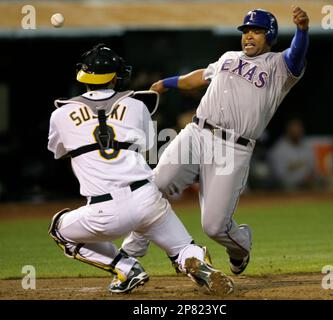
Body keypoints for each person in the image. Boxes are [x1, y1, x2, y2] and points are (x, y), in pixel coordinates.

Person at [121, 7, 310, 275]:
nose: (249, 36)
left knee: (214, 227)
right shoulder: (228, 57)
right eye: (245, 31)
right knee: (155, 184)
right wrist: (167, 82)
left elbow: (297, 55)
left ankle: (240, 246)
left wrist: (302, 30)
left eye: (256, 31)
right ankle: (131, 252)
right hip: (197, 132)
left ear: (270, 36)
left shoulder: (279, 67)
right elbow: (199, 77)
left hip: (233, 148)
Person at [47, 44, 234, 295]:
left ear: (84, 77)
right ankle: (195, 261)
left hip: (103, 212)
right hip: (147, 198)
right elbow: (145, 144)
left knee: (59, 228)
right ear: (114, 77)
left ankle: (125, 267)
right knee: (182, 247)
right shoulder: (137, 105)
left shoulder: (60, 114)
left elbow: (58, 151)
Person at [268, 118, 317, 191]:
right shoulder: (279, 149)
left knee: (328, 181)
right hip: (289, 185)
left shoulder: (306, 146)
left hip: (308, 182)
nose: (297, 131)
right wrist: (300, 178)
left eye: (299, 128)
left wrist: (310, 177)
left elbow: (313, 168)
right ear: (288, 130)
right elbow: (279, 176)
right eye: (294, 128)